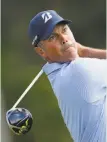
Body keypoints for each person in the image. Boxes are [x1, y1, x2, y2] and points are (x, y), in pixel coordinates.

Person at [28, 10, 106, 142]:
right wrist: (86, 51)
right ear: (41, 51)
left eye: (64, 30)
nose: (64, 39)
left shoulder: (61, 74)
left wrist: (83, 51)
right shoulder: (78, 71)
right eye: (52, 37)